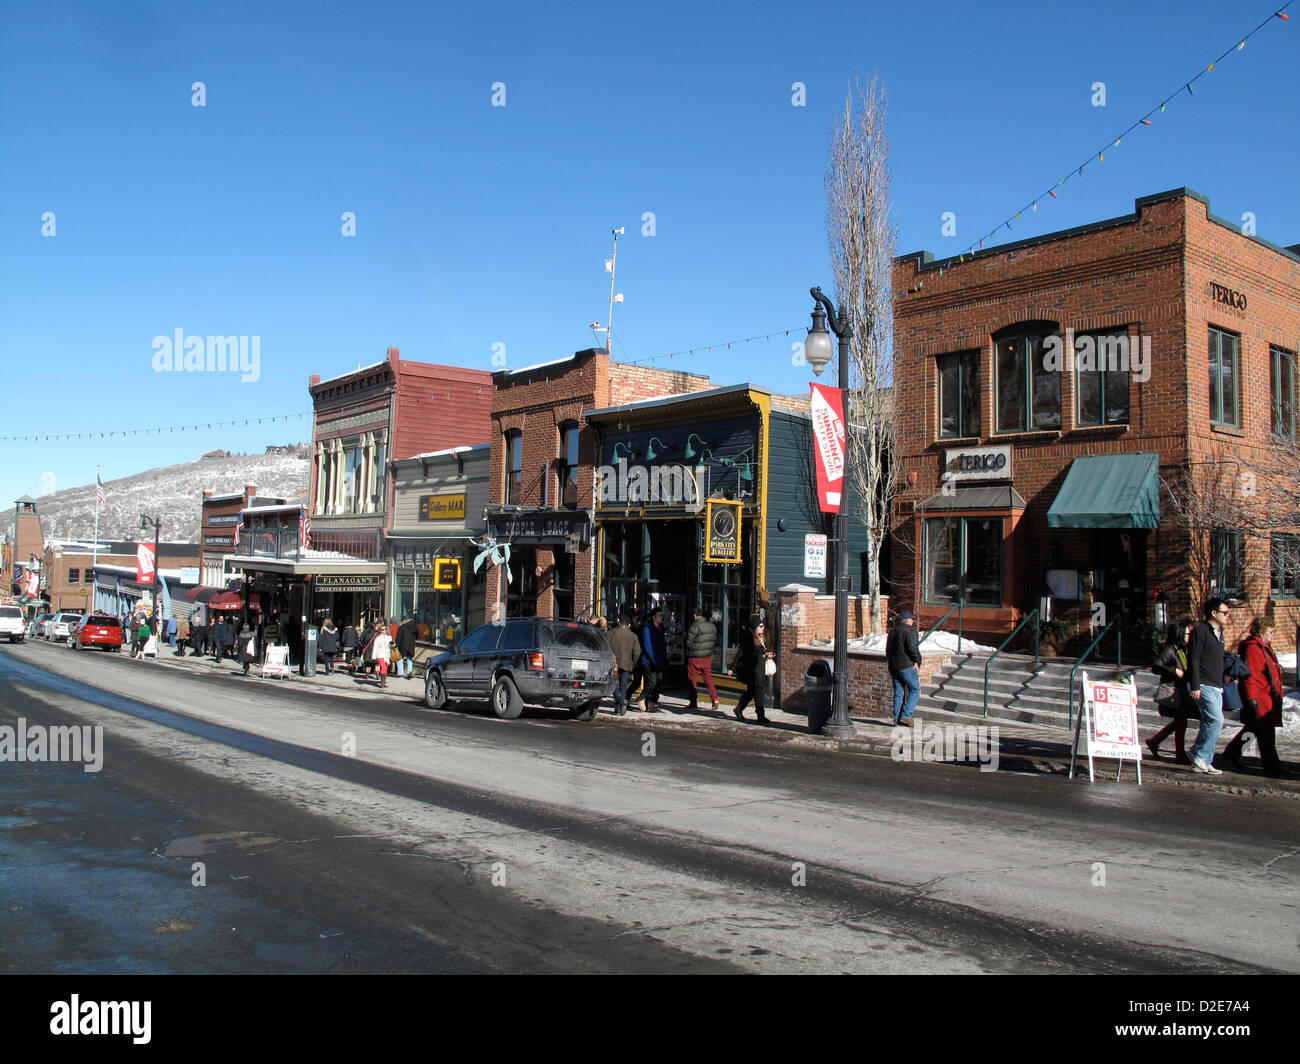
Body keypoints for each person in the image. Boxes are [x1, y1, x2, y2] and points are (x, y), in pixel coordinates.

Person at [1224, 618, 1288, 776]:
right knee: (1265, 731)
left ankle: (1232, 753)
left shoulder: (1264, 646)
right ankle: (1271, 764)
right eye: (1270, 632)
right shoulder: (1254, 648)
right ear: (1261, 632)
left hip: (1266, 694)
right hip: (1259, 695)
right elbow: (1250, 675)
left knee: (1255, 728)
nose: (1273, 635)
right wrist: (1251, 697)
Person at [1186, 597, 1230, 775]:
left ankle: (1206, 759)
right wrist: (1195, 685)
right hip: (1203, 684)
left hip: (1216, 684)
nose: (1228, 616)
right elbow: (1194, 659)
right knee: (1216, 720)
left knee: (1209, 722)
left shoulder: (1219, 632)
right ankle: (1199, 754)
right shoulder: (1201, 631)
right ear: (1214, 613)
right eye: (1225, 613)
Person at [1146, 619, 1196, 764]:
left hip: (1181, 690)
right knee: (1181, 721)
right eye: (1187, 634)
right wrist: (1175, 671)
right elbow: (1156, 667)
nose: (1189, 636)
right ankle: (1179, 754)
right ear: (1180, 634)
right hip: (1172, 690)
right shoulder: (1170, 649)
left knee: (1181, 721)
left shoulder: (1182, 649)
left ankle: (1155, 741)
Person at [730, 619, 774, 724]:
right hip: (753, 670)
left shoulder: (761, 638)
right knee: (758, 691)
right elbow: (740, 653)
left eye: (763, 626)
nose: (763, 628)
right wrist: (732, 667)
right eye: (761, 626)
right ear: (755, 628)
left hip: (760, 668)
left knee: (752, 692)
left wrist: (767, 654)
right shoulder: (750, 639)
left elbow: (760, 653)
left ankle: (739, 709)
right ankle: (760, 715)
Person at [887, 610, 922, 727]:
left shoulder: (892, 632)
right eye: (912, 619)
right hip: (906, 665)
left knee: (898, 692)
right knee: (915, 690)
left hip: (894, 666)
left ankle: (896, 718)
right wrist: (918, 661)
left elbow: (888, 650)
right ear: (907, 620)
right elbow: (912, 648)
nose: (913, 622)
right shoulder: (910, 631)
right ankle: (906, 716)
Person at [684, 605, 719, 711]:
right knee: (708, 678)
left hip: (695, 657)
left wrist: (687, 652)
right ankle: (715, 699)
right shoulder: (712, 626)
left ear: (694, 615)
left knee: (692, 679)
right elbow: (714, 641)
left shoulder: (694, 627)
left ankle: (693, 701)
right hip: (707, 657)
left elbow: (688, 643)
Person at [608, 611, 642, 716]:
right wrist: (633, 663)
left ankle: (619, 701)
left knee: (612, 683)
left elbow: (605, 647)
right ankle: (620, 706)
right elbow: (637, 652)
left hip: (613, 663)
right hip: (627, 664)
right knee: (623, 686)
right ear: (629, 625)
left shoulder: (611, 633)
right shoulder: (633, 636)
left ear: (619, 623)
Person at [640, 607, 668, 712]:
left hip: (659, 660)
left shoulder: (661, 629)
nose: (661, 617)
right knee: (652, 681)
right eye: (659, 615)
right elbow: (648, 646)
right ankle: (642, 697)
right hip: (648, 661)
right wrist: (653, 659)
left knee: (659, 682)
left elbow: (663, 645)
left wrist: (664, 658)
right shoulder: (647, 629)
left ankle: (652, 704)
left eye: (662, 615)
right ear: (654, 617)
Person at [371, 622, 393, 688]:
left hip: (387, 655)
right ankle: (382, 683)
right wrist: (373, 656)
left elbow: (390, 647)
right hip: (380, 655)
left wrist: (392, 645)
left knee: (385, 669)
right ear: (380, 630)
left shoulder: (389, 637)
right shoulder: (378, 638)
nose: (384, 631)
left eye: (385, 629)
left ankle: (383, 682)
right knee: (383, 668)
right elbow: (375, 647)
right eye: (383, 629)